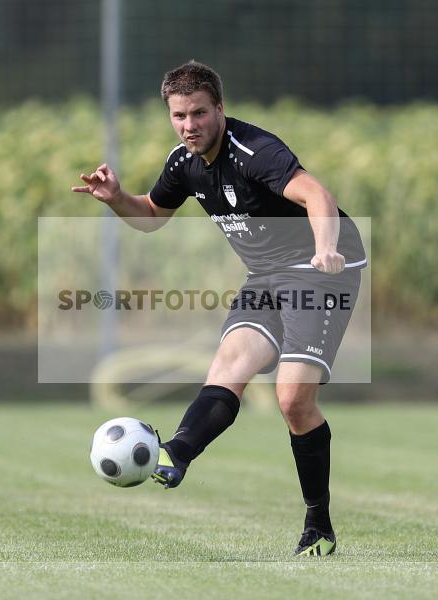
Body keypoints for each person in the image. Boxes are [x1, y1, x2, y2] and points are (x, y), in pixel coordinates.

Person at [72, 60, 366, 557]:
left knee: (293, 401)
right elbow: (152, 215)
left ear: (220, 109)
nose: (189, 125)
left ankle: (318, 522)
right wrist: (118, 198)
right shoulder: (183, 163)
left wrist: (325, 249)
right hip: (266, 275)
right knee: (228, 365)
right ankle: (176, 453)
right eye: (179, 116)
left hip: (319, 269)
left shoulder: (255, 151)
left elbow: (317, 195)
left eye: (199, 113)